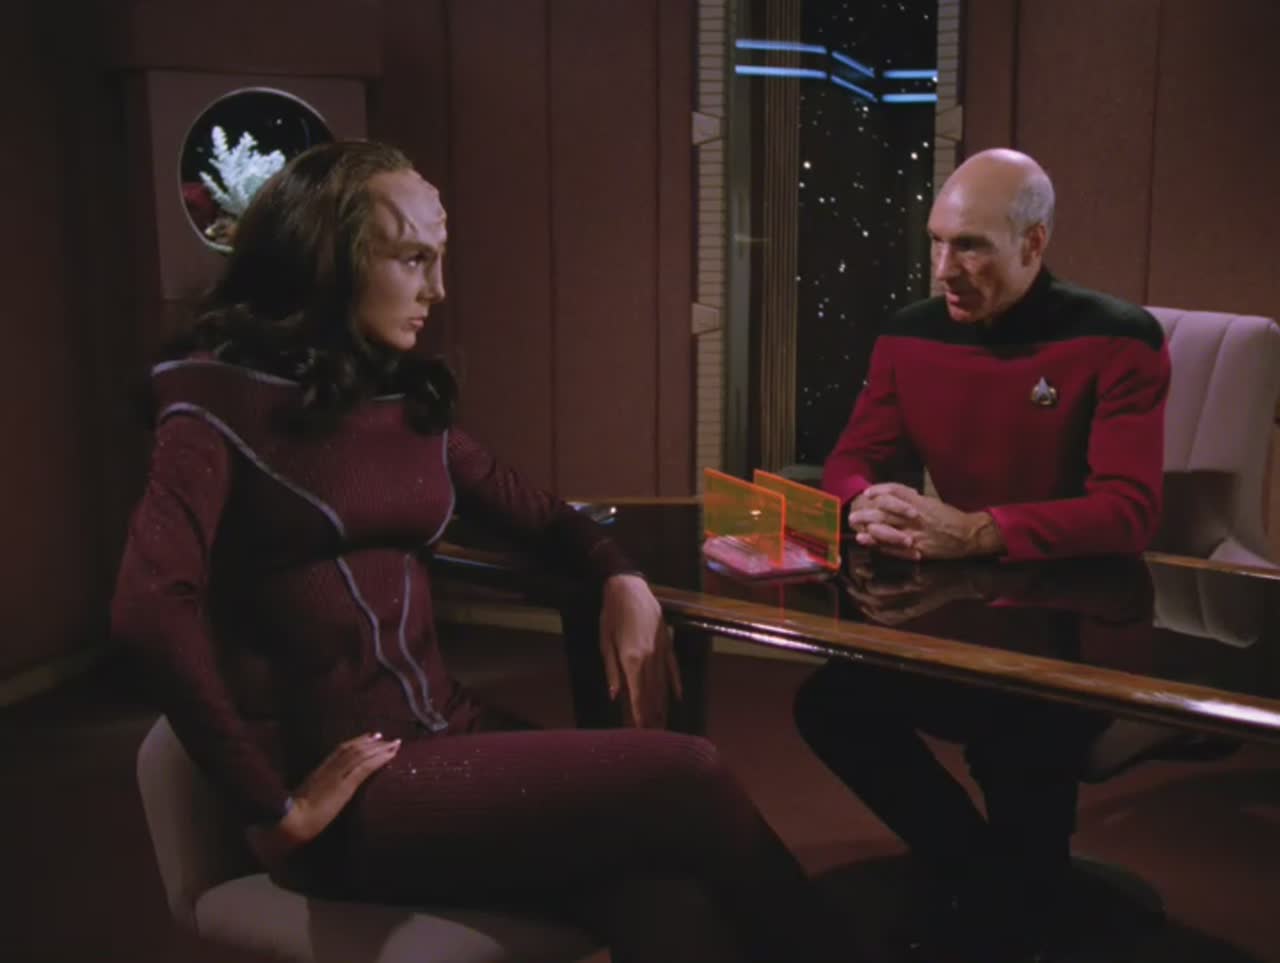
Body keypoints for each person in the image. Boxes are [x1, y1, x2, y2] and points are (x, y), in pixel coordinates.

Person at [112, 140, 862, 963]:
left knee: (660, 892)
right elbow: (149, 609)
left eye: (439, 259)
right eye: (413, 259)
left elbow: (545, 519)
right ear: (327, 259)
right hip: (349, 789)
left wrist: (621, 576)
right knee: (688, 772)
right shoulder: (214, 401)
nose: (437, 289)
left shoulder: (399, 400)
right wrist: (272, 809)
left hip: (449, 738)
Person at [794, 148, 1170, 960]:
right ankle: (979, 867)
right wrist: (866, 500)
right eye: (936, 242)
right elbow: (851, 459)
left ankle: (1012, 893)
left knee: (1018, 738)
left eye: (970, 247)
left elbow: (1129, 511)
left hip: (1078, 637)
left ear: (1034, 243)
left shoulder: (1120, 338)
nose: (944, 270)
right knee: (832, 703)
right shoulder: (908, 334)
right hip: (963, 620)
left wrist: (977, 530)